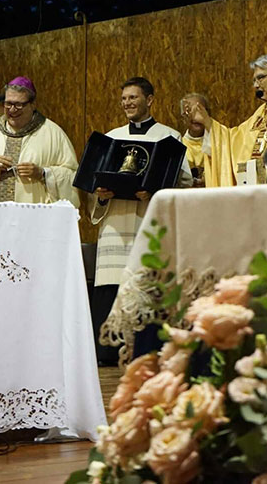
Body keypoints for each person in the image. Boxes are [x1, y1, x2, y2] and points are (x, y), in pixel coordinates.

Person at [90, 76, 192, 363]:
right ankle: (108, 353)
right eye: (124, 99)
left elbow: (182, 182)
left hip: (147, 221)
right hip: (116, 222)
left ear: (149, 100)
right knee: (112, 285)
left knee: (148, 284)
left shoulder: (169, 138)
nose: (127, 103)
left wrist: (156, 189)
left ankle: (147, 351)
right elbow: (94, 186)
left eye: (133, 98)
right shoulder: (111, 137)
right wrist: (101, 194)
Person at [0, 76, 80, 207]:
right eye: (8, 103)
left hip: (33, 218)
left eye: (19, 104)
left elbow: (72, 177)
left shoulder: (53, 134)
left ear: (33, 105)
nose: (12, 110)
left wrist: (43, 173)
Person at [187, 53, 267, 185]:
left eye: (260, 78)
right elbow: (234, 140)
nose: (255, 85)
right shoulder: (263, 112)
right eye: (254, 80)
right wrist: (208, 123)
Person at [181, 92, 232, 187]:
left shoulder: (221, 140)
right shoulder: (179, 145)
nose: (196, 118)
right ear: (183, 118)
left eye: (199, 111)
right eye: (189, 112)